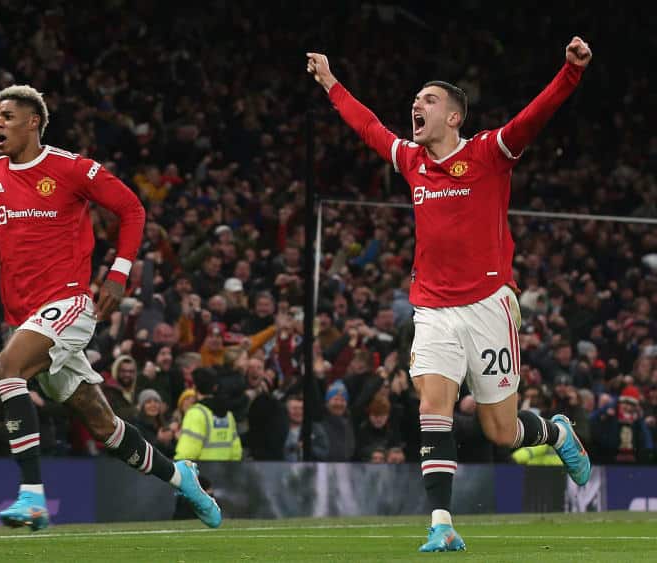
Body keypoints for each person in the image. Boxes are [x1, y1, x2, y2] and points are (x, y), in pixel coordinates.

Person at [307, 36, 593, 552]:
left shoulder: (488, 153)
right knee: (433, 406)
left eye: (429, 99)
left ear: (454, 117)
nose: (417, 105)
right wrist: (330, 82)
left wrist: (570, 72)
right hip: (433, 307)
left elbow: (534, 117)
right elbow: (368, 126)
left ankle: (556, 434)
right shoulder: (412, 159)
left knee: (501, 432)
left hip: (488, 306)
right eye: (416, 99)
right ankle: (442, 523)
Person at [0, 84, 220, 531]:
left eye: (7, 116)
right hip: (26, 318)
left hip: (68, 302)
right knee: (102, 424)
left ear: (33, 122)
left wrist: (119, 272)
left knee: (7, 368)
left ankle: (32, 497)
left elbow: (131, 209)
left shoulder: (71, 168)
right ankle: (181, 477)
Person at [174, 368, 242, 461]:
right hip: (225, 469)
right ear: (215, 387)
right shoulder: (228, 415)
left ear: (194, 387)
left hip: (202, 470)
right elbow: (236, 452)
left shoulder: (196, 413)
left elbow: (187, 453)